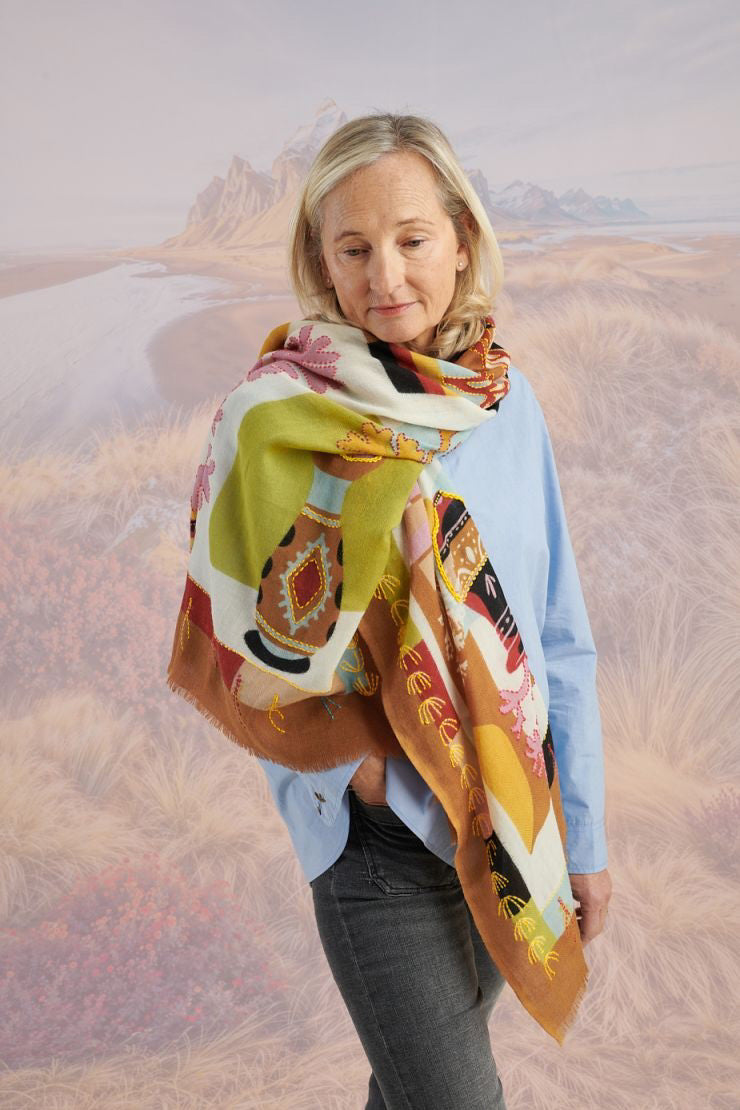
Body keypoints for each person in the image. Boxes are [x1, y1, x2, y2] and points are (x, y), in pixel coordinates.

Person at [169, 112, 612, 1110]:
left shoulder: (506, 404)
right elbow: (247, 638)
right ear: (320, 261)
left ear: (460, 237)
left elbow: (553, 635)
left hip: (506, 823)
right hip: (377, 841)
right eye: (354, 248)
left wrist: (579, 839)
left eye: (412, 240)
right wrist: (353, 772)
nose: (386, 277)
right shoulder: (275, 419)